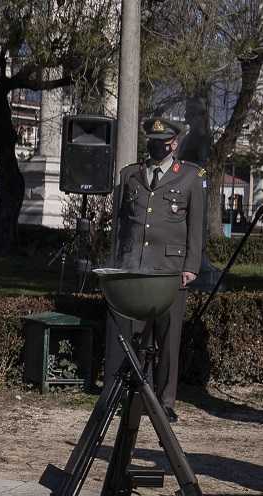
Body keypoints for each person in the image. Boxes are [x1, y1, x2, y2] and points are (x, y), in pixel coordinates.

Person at [104, 117, 204, 423]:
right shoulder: (131, 174)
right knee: (132, 336)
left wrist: (191, 267)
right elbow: (121, 225)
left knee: (168, 338)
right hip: (135, 267)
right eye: (151, 139)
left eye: (162, 140)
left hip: (171, 270)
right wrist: (116, 263)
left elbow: (195, 227)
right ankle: (128, 395)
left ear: (174, 143)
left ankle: (165, 401)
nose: (155, 144)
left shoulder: (189, 177)